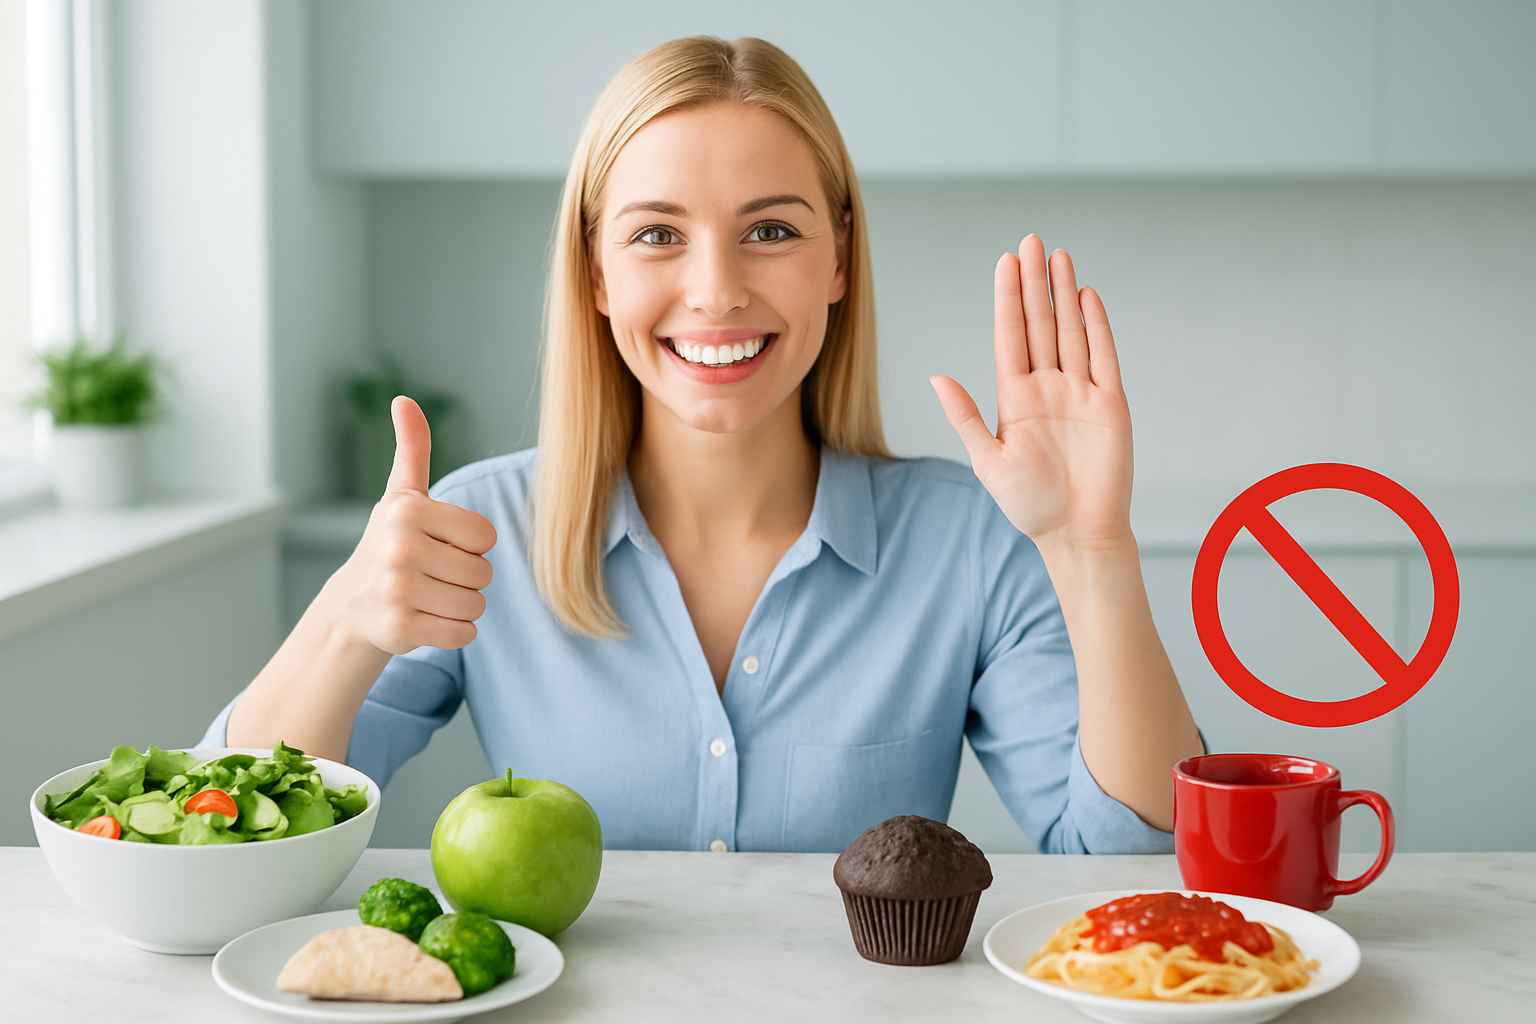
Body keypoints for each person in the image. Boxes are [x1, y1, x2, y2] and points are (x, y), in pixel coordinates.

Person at [206, 36, 1202, 854]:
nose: (717, 288)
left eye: (770, 231)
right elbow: (230, 837)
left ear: (839, 260)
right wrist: (344, 619)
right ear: (594, 272)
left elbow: (1134, 870)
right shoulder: (479, 530)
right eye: (655, 235)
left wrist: (1089, 550)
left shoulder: (969, 542)